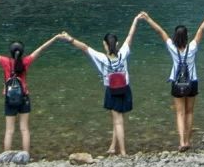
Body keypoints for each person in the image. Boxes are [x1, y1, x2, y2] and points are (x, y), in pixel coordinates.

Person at [0, 33, 64, 157]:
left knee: (9, 130)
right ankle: (25, 155)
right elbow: (41, 48)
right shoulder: (26, 61)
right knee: (24, 129)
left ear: (11, 52)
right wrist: (55, 38)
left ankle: (6, 156)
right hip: (24, 97)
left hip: (9, 98)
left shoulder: (5, 62)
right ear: (22, 52)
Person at [60, 14, 142, 156]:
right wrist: (135, 20)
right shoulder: (123, 53)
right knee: (118, 119)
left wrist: (69, 39)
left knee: (118, 121)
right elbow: (130, 35)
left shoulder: (102, 58)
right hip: (125, 89)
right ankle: (112, 146)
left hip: (112, 90)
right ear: (117, 44)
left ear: (105, 44)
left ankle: (123, 152)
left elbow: (84, 48)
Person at [139, 7, 204, 150]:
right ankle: (188, 141)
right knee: (190, 112)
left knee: (180, 113)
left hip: (176, 83)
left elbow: (160, 32)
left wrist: (148, 19)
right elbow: (201, 29)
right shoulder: (192, 47)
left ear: (175, 36)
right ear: (187, 36)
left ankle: (181, 142)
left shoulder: (172, 48)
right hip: (192, 82)